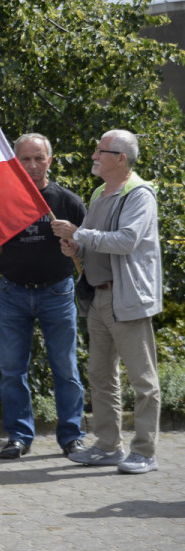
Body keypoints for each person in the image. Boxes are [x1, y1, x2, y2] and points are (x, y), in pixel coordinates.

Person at [52, 129, 162, 474]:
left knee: (143, 381)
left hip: (126, 298)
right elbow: (92, 243)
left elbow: (126, 240)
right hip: (98, 297)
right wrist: (75, 247)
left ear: (121, 158)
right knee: (100, 375)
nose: (94, 156)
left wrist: (79, 234)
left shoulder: (139, 194)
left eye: (101, 151)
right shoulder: (101, 192)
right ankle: (107, 446)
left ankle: (145, 452)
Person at [0, 134, 87, 460]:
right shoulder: (3, 199)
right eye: (25, 160)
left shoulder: (67, 201)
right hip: (13, 292)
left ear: (50, 160)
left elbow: (91, 250)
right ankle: (19, 436)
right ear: (15, 163)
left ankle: (72, 437)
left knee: (65, 367)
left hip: (56, 293)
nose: (32, 166)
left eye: (39, 158)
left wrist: (74, 241)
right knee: (11, 370)